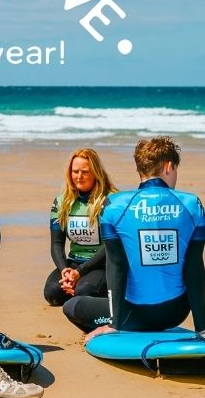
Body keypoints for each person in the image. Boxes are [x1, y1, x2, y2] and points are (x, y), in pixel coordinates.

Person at [64, 136, 205, 335]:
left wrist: (115, 324)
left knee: (72, 306)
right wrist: (202, 329)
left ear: (140, 169)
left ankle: (117, 328)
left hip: (131, 315)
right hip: (175, 312)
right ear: (168, 166)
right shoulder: (192, 204)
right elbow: (194, 268)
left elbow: (116, 266)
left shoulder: (114, 205)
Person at [44, 148, 116, 306]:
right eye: (75, 171)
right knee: (52, 293)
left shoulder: (111, 200)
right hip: (74, 262)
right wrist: (65, 271)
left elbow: (111, 246)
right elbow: (56, 244)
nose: (79, 176)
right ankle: (76, 286)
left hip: (103, 265)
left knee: (84, 292)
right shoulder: (62, 202)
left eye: (85, 172)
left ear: (96, 173)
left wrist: (80, 272)